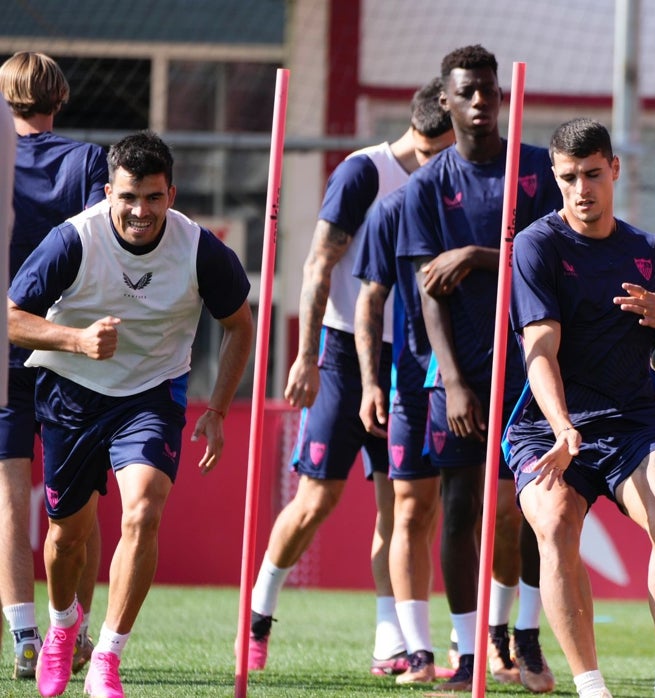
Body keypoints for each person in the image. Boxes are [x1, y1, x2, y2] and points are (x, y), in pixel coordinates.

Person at [8, 130, 252, 698]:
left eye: (152, 197)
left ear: (171, 193)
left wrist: (216, 408)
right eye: (128, 197)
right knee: (67, 538)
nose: (140, 211)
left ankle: (107, 660)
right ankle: (64, 628)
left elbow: (240, 324)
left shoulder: (198, 248)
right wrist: (75, 339)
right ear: (108, 193)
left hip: (151, 393)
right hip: (71, 391)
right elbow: (12, 316)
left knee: (143, 510)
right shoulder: (74, 239)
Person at [243, 81, 455, 677]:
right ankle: (258, 614)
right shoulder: (365, 172)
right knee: (318, 498)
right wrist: (305, 355)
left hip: (412, 359)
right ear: (435, 131)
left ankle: (391, 642)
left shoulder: (451, 181)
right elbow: (317, 264)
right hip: (341, 351)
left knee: (401, 504)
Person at [507, 117, 655, 698]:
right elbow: (539, 350)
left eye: (592, 174)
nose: (581, 189)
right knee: (557, 521)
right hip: (550, 423)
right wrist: (563, 427)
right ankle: (591, 687)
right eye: (568, 178)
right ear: (556, 180)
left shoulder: (651, 252)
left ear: (614, 169)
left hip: (635, 420)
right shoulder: (536, 245)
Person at [398, 44, 558, 692]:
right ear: (446, 100)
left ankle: (527, 638)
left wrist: (479, 252)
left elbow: (550, 260)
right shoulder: (425, 187)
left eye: (490, 90)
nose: (481, 101)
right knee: (461, 508)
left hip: (531, 367)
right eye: (468, 92)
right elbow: (427, 288)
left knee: (538, 508)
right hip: (458, 374)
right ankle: (467, 657)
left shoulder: (539, 168)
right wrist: (454, 380)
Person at [0, 50, 108, 681]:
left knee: (11, 492)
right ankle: (81, 634)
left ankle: (23, 635)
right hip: (67, 345)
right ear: (59, 98)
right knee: (79, 504)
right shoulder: (88, 161)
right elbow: (102, 238)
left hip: (7, 342)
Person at [352, 77, 455, 685]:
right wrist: (370, 382)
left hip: (485, 376)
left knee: (487, 511)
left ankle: (493, 641)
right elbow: (371, 301)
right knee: (409, 508)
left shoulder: (490, 197)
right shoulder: (393, 207)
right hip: (410, 378)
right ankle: (415, 651)